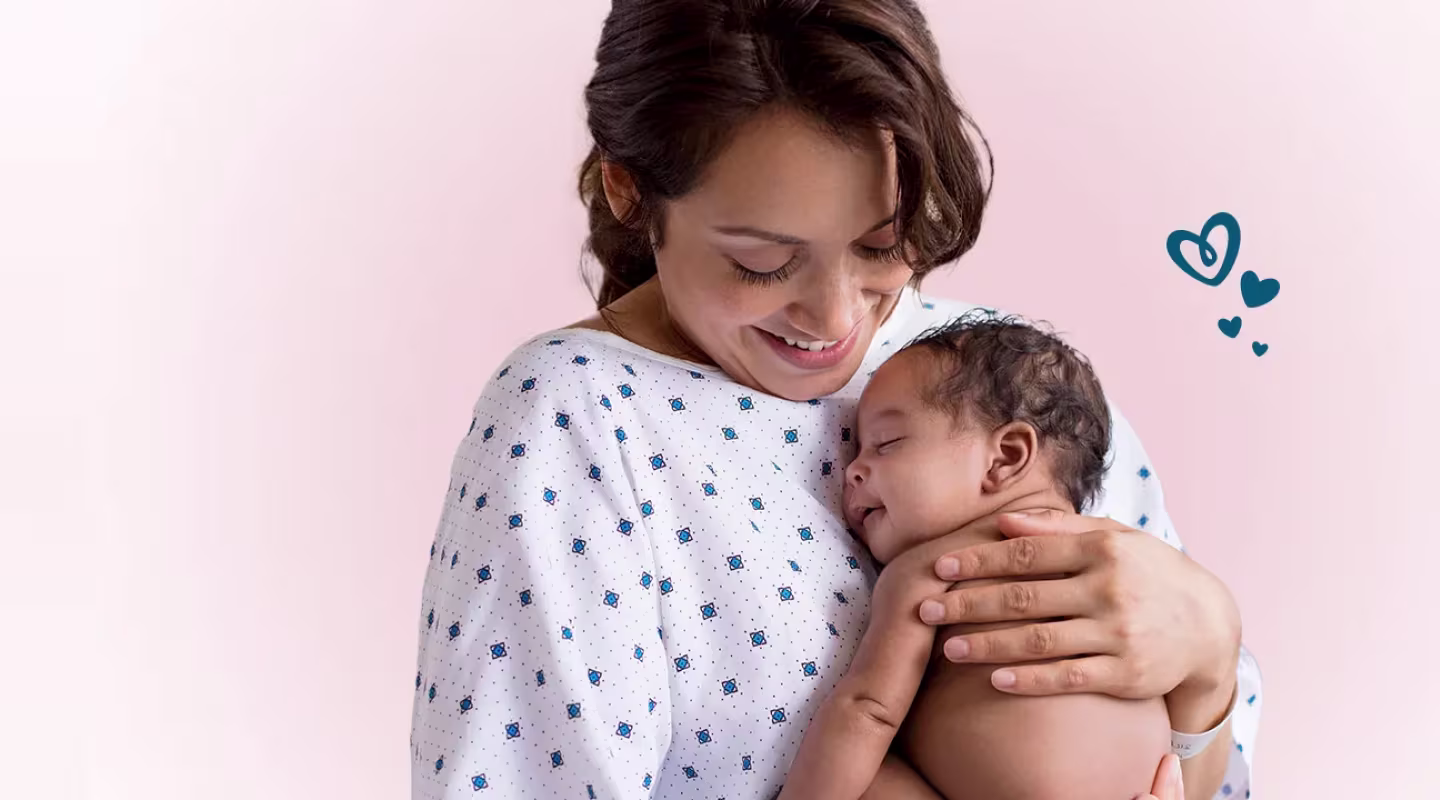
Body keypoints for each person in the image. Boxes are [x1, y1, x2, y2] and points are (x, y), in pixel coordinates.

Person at [409, 2, 1262, 798]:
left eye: (882, 245)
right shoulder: (580, 417)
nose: (835, 317)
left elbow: (1215, 778)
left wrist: (1208, 659)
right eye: (763, 261)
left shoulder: (1009, 380)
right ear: (630, 190)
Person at [781, 313, 1173, 800]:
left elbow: (869, 710)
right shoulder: (1125, 567)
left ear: (1006, 457)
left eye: (887, 443)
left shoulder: (934, 568)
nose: (853, 471)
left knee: (863, 779)